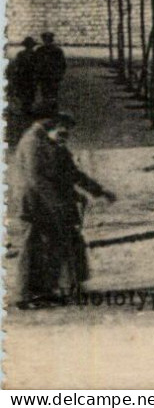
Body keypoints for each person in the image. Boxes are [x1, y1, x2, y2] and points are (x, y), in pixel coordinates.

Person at [14, 113, 114, 308]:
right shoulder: (33, 142)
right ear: (52, 125)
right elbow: (37, 180)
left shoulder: (51, 142)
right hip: (35, 205)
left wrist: (98, 191)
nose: (65, 136)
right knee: (33, 248)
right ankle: (26, 296)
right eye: (63, 131)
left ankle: (56, 289)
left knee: (58, 245)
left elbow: (71, 172)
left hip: (52, 204)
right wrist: (58, 204)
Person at [33, 32, 66, 114]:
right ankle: (49, 109)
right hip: (47, 76)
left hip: (50, 76)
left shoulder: (55, 51)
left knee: (50, 93)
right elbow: (36, 63)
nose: (47, 42)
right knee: (48, 92)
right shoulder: (42, 50)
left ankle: (50, 109)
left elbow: (62, 64)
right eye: (46, 40)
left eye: (48, 40)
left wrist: (59, 74)